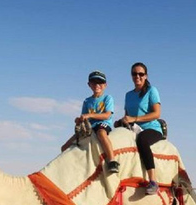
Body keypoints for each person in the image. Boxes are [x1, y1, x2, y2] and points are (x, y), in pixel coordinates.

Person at [119, 62, 163, 195]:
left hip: (151, 129)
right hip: (133, 128)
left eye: (140, 74)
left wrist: (135, 118)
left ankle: (153, 181)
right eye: (134, 74)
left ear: (146, 76)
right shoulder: (128, 95)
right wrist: (122, 121)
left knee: (142, 140)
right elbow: (127, 115)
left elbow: (157, 113)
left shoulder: (151, 91)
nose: (137, 76)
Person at [61, 71, 119, 174]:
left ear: (105, 85)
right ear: (89, 85)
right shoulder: (87, 101)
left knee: (101, 133)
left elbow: (107, 115)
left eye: (100, 82)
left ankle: (112, 160)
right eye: (94, 82)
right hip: (89, 127)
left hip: (103, 124)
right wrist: (79, 120)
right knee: (65, 147)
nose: (97, 85)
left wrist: (89, 115)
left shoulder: (107, 98)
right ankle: (72, 167)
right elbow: (84, 117)